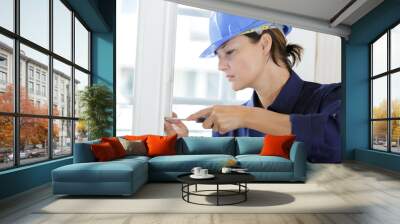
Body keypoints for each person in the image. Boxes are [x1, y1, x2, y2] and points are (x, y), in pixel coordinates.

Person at [164, 12, 341, 163]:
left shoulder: (330, 99)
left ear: (265, 44)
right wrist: (184, 146)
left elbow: (340, 142)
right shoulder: (228, 128)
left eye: (230, 52)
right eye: (218, 56)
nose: (220, 66)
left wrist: (248, 117)